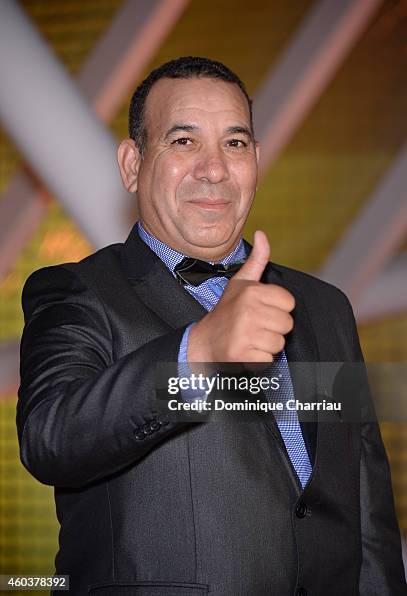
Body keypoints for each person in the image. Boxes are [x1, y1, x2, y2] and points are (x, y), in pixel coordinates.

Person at [17, 56, 406, 596]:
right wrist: (197, 353)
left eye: (235, 143)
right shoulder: (79, 292)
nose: (214, 168)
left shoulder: (324, 306)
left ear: (256, 161)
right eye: (183, 142)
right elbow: (51, 438)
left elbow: (367, 509)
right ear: (132, 163)